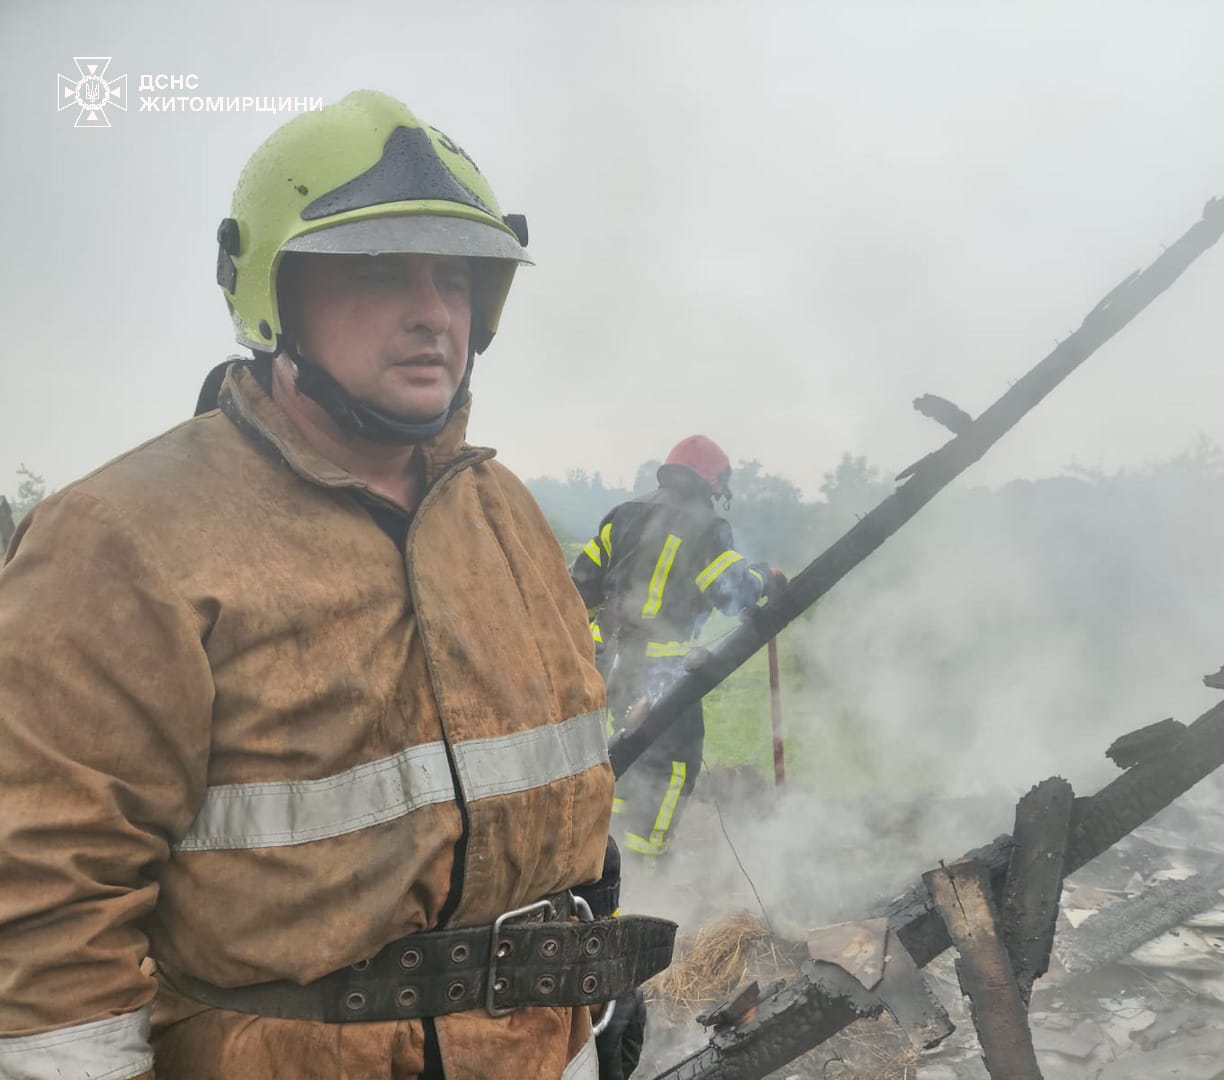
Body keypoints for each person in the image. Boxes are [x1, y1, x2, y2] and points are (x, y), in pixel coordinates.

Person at [0, 90, 671, 1080]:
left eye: (455, 277)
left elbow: (561, 808)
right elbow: (49, 903)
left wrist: (586, 1008)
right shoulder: (121, 540)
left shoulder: (506, 515)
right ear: (275, 293)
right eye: (376, 270)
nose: (430, 311)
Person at [571, 436, 784, 866]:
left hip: (606, 664)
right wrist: (767, 576)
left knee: (618, 756)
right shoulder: (705, 526)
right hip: (659, 670)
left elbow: (580, 586)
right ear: (711, 481)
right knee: (674, 766)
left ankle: (602, 858)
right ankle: (646, 868)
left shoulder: (623, 514)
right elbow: (733, 594)